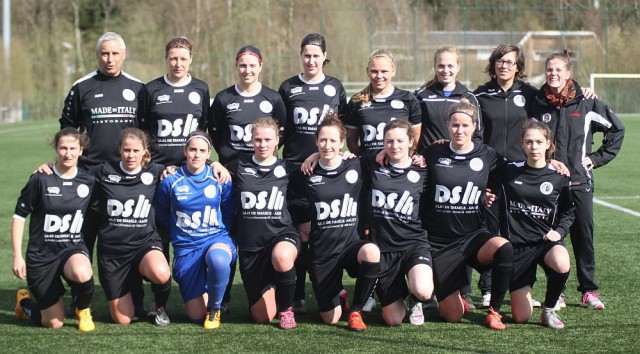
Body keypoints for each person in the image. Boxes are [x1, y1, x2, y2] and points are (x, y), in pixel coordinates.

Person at [58, 31, 147, 317]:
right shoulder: (82, 86)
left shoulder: (137, 88)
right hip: (89, 176)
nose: (110, 59)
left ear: (124, 54)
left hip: (126, 178)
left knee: (128, 238)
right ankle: (79, 299)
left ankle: (137, 299)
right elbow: (67, 130)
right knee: (83, 237)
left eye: (115, 53)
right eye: (104, 54)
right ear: (97, 56)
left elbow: (147, 132)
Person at [529, 50, 625, 310]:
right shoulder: (537, 103)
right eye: (549, 69)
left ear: (568, 73)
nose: (553, 73)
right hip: (549, 184)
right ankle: (556, 292)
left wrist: (596, 159)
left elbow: (616, 129)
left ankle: (588, 291)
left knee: (583, 236)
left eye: (559, 69)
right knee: (551, 238)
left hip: (580, 182)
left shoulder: (587, 103)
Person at [422, 98, 513, 330]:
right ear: (447, 126)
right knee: (452, 316)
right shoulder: (434, 152)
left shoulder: (487, 154)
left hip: (473, 237)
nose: (459, 130)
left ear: (475, 126)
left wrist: (552, 164)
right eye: (455, 125)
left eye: (465, 125)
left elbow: (514, 171)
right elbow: (407, 164)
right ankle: (455, 297)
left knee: (504, 247)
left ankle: (494, 311)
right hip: (440, 243)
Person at [279, 33, 348, 314]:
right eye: (306, 55)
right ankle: (297, 293)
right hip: (296, 173)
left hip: (329, 171)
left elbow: (341, 132)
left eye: (316, 55)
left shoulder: (334, 87)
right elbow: (281, 131)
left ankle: (330, 288)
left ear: (324, 57)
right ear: (301, 56)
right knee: (301, 233)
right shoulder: (288, 88)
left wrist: (322, 154)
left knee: (325, 233)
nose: (311, 60)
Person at [414, 45, 482, 309]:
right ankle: (428, 290)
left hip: (461, 174)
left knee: (462, 229)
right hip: (429, 174)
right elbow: (414, 134)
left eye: (450, 65)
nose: (445, 70)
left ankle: (464, 291)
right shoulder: (421, 95)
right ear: (435, 66)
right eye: (441, 65)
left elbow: (478, 137)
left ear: (458, 67)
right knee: (429, 229)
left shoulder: (469, 97)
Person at [492, 120, 574, 329]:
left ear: (548, 144)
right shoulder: (508, 171)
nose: (534, 146)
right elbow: (483, 177)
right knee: (521, 317)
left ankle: (549, 309)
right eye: (529, 142)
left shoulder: (558, 176)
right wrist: (486, 194)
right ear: (522, 144)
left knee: (562, 261)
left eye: (539, 141)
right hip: (518, 247)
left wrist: (559, 231)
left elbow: (568, 211)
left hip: (545, 242)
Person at [12, 128, 96, 331]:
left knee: (82, 272)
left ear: (81, 150)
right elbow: (19, 216)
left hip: (71, 248)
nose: (68, 153)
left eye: (73, 148)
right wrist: (17, 256)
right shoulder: (41, 178)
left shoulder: (89, 180)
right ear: (56, 149)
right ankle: (24, 302)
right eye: (63, 148)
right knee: (54, 322)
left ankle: (82, 309)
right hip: (42, 256)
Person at [302, 115, 381, 331]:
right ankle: (340, 296)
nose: (328, 146)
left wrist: (419, 158)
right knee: (331, 318)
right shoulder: (307, 171)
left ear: (342, 142)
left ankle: (356, 310)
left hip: (349, 246)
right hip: (322, 252)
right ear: (316, 141)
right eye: (323, 140)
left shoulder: (356, 164)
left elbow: (387, 155)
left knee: (372, 252)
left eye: (333, 141)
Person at [90, 128, 172, 326]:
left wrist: (215, 165)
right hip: (113, 252)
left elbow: (189, 169)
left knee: (161, 272)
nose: (131, 155)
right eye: (127, 150)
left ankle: (160, 307)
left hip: (144, 244)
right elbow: (72, 176)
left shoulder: (156, 171)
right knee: (123, 319)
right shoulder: (103, 171)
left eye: (136, 151)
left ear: (145, 150)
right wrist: (49, 167)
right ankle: (131, 286)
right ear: (119, 149)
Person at [155, 131, 236, 330]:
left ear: (209, 154)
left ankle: (215, 309)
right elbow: (162, 215)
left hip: (215, 239)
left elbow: (227, 212)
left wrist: (218, 233)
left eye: (202, 151)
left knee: (218, 260)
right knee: (194, 315)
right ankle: (206, 292)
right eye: (192, 150)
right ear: (185, 151)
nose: (196, 155)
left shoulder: (219, 178)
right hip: (186, 248)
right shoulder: (170, 180)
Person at [226, 117, 299, 329]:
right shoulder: (238, 165)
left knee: (282, 256)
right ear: (251, 140)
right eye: (258, 139)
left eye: (268, 139)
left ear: (278, 140)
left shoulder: (287, 167)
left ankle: (287, 310)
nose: (263, 144)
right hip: (251, 247)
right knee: (261, 317)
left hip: (281, 235)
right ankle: (276, 288)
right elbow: (210, 167)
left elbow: (321, 164)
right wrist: (216, 166)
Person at [362, 119, 432, 327]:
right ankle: (400, 293)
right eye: (389, 141)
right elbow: (340, 159)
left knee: (423, 290)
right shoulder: (371, 163)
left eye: (400, 141)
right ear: (383, 143)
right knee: (393, 319)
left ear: (411, 142)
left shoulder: (423, 169)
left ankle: (417, 301)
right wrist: (313, 155)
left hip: (413, 243)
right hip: (383, 249)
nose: (395, 146)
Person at [211, 45, 286, 166]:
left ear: (260, 66)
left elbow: (281, 131)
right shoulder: (223, 98)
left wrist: (265, 152)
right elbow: (215, 133)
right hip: (231, 168)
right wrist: (227, 155)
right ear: (236, 66)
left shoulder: (274, 98)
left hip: (263, 167)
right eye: (243, 65)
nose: (247, 70)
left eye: (252, 66)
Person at [344, 49, 422, 155]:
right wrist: (364, 160)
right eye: (374, 71)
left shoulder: (408, 99)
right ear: (367, 71)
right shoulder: (357, 101)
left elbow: (415, 140)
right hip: (369, 168)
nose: (379, 76)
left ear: (393, 71)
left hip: (397, 167)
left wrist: (402, 160)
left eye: (384, 71)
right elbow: (351, 142)